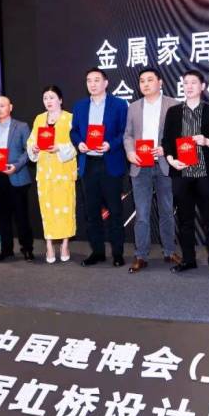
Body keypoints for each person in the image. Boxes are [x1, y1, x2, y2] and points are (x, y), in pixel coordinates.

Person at [162, 70, 209, 274]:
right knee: (185, 220)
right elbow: (167, 141)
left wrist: (206, 141)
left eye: (193, 83)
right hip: (182, 174)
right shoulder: (173, 112)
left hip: (205, 174)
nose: (189, 86)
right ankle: (188, 259)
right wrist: (171, 160)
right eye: (186, 83)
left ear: (202, 87)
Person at [123, 68, 181, 273]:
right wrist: (130, 152)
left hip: (165, 164)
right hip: (140, 165)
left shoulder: (174, 105)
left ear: (160, 82)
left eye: (150, 80)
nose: (145, 84)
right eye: (142, 81)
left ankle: (169, 251)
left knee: (167, 211)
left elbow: (181, 135)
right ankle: (141, 255)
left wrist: (167, 149)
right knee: (142, 213)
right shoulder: (133, 107)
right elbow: (128, 135)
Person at [71, 68, 128, 267]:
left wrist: (110, 144)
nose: (92, 84)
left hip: (110, 163)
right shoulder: (80, 106)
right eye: (89, 80)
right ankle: (97, 252)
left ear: (106, 83)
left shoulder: (119, 104)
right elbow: (74, 131)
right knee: (91, 211)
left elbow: (124, 132)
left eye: (97, 80)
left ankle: (118, 253)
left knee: (115, 211)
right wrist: (79, 143)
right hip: (88, 164)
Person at [27, 85, 77, 263]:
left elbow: (76, 144)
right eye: (45, 98)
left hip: (63, 171)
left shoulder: (70, 118)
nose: (48, 101)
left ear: (60, 100)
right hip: (44, 172)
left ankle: (65, 244)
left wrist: (59, 148)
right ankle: (49, 244)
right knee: (47, 210)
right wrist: (33, 148)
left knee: (66, 209)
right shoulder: (39, 118)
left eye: (52, 97)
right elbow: (31, 141)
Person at [0, 96, 34, 261]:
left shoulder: (22, 126)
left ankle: (27, 249)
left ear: (10, 107)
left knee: (21, 216)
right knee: (1, 216)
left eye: (2, 105)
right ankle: (6, 250)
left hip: (16, 176)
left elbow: (29, 151)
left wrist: (16, 166)